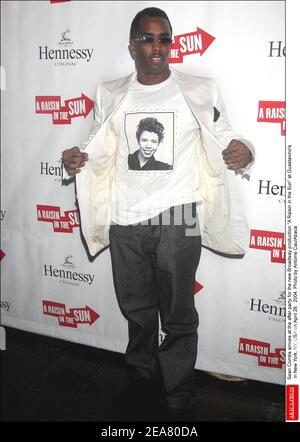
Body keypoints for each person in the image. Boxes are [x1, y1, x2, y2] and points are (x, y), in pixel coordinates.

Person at [62, 7, 254, 418]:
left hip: (177, 217)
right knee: (137, 311)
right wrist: (74, 158)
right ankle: (142, 380)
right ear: (133, 45)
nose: (157, 47)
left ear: (171, 44)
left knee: (179, 314)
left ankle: (179, 393)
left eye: (164, 38)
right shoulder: (111, 92)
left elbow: (227, 136)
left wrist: (245, 150)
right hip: (125, 219)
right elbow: (94, 146)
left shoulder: (199, 89)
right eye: (147, 39)